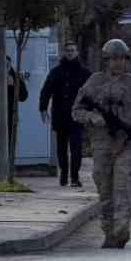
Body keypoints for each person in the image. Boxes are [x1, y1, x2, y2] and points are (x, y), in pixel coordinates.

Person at [72, 39, 131, 249]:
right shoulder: (94, 82)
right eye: (114, 59)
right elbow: (76, 111)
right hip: (101, 144)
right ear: (106, 60)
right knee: (105, 191)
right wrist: (93, 118)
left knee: (123, 188)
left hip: (127, 144)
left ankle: (121, 231)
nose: (118, 63)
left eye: (122, 59)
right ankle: (109, 233)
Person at [39, 42, 91, 187]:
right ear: (64, 52)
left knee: (76, 148)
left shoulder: (84, 73)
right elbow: (46, 90)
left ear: (77, 52)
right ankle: (63, 174)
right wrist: (43, 108)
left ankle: (74, 177)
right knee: (61, 149)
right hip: (60, 115)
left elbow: (92, 92)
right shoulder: (56, 72)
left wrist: (90, 111)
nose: (70, 53)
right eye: (67, 50)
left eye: (72, 50)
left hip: (77, 116)